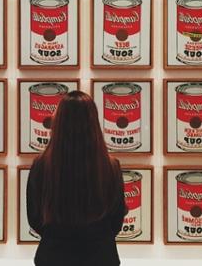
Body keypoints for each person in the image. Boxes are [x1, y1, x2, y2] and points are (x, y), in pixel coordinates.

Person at [26, 90, 127, 266]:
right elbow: (116, 221)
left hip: (54, 255)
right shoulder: (110, 166)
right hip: (100, 256)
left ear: (58, 123)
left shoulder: (41, 165)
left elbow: (34, 218)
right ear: (93, 123)